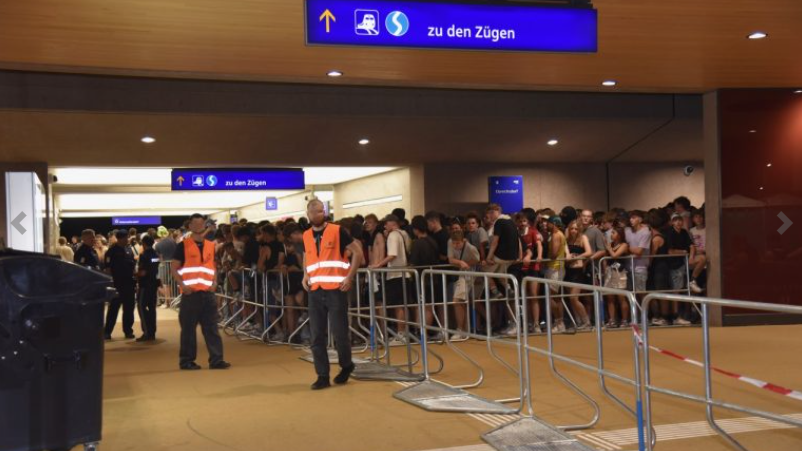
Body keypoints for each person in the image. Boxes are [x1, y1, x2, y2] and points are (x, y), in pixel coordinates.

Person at [302, 199, 360, 390]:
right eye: (314, 212)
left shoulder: (337, 231)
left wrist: (349, 277)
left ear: (324, 212)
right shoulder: (306, 235)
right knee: (316, 335)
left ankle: (346, 365)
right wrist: (305, 274)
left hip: (336, 289)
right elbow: (307, 255)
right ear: (308, 214)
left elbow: (358, 252)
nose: (317, 214)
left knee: (340, 333)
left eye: (320, 211)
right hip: (315, 290)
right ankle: (322, 375)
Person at [171, 213, 231, 370]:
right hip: (190, 294)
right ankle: (186, 361)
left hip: (208, 293)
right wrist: (183, 285)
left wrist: (215, 282)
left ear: (204, 225)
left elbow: (213, 266)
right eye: (195, 224)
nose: (198, 226)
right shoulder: (183, 245)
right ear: (190, 226)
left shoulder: (210, 245)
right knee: (188, 330)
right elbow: (174, 267)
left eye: (201, 224)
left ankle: (217, 360)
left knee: (212, 328)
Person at [370, 215, 411, 345]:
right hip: (405, 272)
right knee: (403, 305)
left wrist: (379, 264)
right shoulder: (404, 234)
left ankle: (401, 334)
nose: (384, 226)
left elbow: (392, 254)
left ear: (392, 223)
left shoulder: (393, 235)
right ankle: (404, 332)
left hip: (395, 274)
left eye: (386, 224)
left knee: (398, 306)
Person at [104, 230, 137, 340]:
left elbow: (132, 265)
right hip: (117, 284)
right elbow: (108, 268)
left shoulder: (129, 250)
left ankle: (128, 331)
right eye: (126, 238)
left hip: (129, 283)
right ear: (120, 238)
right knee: (113, 309)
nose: (127, 239)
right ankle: (107, 332)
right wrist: (111, 283)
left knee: (129, 309)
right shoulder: (111, 251)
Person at [448, 230, 480, 339]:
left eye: (458, 243)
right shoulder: (451, 244)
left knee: (457, 301)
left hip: (467, 276)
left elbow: (477, 260)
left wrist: (466, 264)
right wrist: (460, 262)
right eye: (454, 243)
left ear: (463, 241)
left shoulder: (471, 248)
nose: (455, 246)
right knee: (461, 302)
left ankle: (460, 329)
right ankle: (464, 329)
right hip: (460, 275)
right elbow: (451, 259)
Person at [564, 220, 593, 330]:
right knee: (571, 299)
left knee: (574, 298)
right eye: (572, 228)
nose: (573, 231)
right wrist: (568, 256)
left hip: (578, 271)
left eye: (576, 229)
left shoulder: (583, 238)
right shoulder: (567, 239)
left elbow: (589, 252)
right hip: (568, 270)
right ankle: (578, 321)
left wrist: (576, 257)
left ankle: (586, 322)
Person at [543, 217, 567, 333]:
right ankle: (559, 323)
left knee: (550, 296)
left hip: (555, 268)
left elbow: (553, 253)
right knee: (556, 297)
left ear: (553, 223)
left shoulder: (556, 235)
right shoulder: (559, 234)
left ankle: (559, 322)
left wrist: (544, 259)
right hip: (557, 267)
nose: (546, 225)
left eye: (547, 223)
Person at [604, 227, 630, 328]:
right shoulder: (610, 245)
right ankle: (612, 320)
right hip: (609, 272)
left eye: (613, 233)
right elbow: (606, 258)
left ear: (619, 235)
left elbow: (615, 256)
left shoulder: (624, 245)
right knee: (610, 298)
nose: (611, 235)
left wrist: (609, 248)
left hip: (619, 273)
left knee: (621, 298)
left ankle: (625, 320)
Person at [136, 235, 160, 342]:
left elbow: (143, 272)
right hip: (153, 284)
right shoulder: (156, 254)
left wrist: (135, 274)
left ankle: (146, 332)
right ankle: (152, 332)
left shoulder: (144, 255)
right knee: (152, 308)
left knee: (141, 306)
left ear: (144, 243)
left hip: (145, 285)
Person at [625, 210, 651, 296]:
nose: (631, 220)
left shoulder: (646, 232)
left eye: (633, 218)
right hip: (628, 267)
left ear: (640, 220)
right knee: (630, 294)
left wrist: (626, 248)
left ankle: (644, 306)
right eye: (630, 218)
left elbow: (639, 251)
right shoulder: (627, 230)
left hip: (640, 268)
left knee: (641, 293)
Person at [688, 209, 707, 294]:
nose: (698, 219)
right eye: (696, 217)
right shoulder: (691, 231)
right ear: (693, 219)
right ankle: (693, 281)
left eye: (700, 217)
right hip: (697, 258)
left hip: (707, 258)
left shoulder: (708, 229)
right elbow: (690, 245)